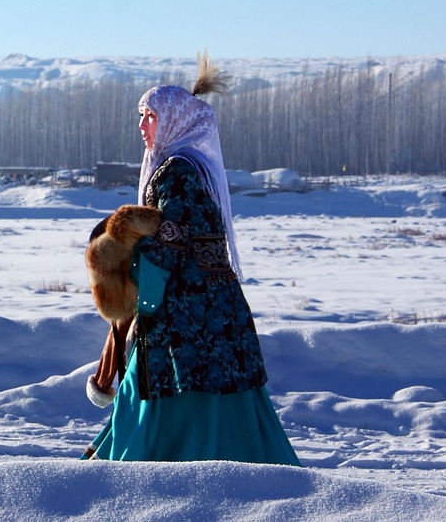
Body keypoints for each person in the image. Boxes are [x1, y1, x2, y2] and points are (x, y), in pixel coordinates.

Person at [81, 55, 299, 465]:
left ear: (174, 122)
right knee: (214, 390)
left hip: (187, 315)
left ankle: (146, 473)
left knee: (163, 387)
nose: (142, 126)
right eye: (141, 116)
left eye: (150, 117)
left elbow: (170, 243)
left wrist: (136, 291)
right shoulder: (188, 167)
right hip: (212, 308)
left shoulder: (176, 172)